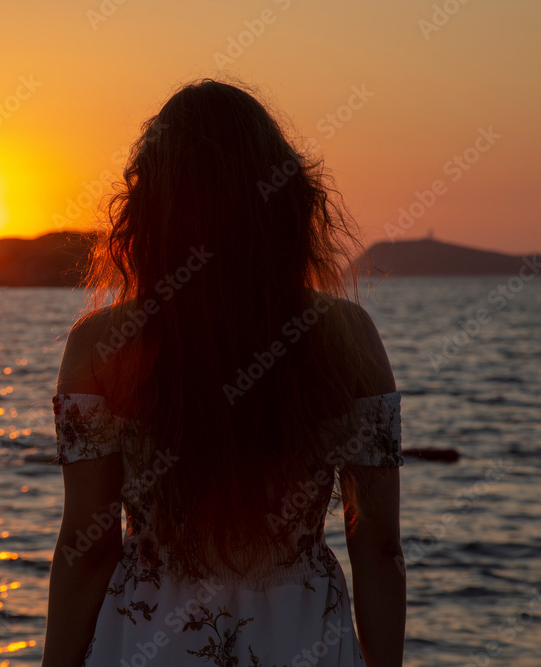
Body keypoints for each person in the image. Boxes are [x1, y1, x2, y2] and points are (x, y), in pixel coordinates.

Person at [41, 79, 405, 666]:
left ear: (150, 207)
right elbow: (378, 545)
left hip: (149, 639)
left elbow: (85, 549)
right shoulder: (347, 336)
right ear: (284, 199)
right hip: (300, 634)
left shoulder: (100, 346)